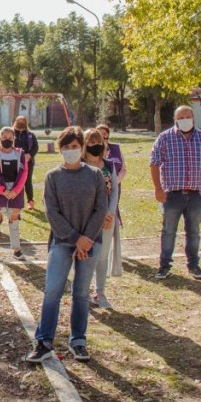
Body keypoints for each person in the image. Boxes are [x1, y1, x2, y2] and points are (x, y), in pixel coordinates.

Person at [26, 126, 107, 363]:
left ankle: (78, 341)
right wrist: (75, 239)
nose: (70, 151)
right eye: (66, 147)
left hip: (91, 242)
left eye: (75, 147)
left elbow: (100, 208)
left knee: (81, 292)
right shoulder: (53, 176)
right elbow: (52, 212)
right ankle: (44, 341)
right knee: (52, 291)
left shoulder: (95, 175)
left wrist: (87, 239)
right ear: (60, 150)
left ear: (81, 148)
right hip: (62, 242)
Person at [149, 106, 201, 280]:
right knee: (168, 231)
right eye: (181, 117)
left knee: (194, 231)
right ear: (175, 119)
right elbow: (154, 164)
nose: (185, 119)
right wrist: (158, 188)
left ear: (193, 118)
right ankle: (164, 266)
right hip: (172, 194)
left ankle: (194, 265)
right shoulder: (164, 138)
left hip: (195, 194)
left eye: (188, 116)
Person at [82, 129, 120, 309]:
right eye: (90, 142)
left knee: (103, 256)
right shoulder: (79, 165)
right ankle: (84, 292)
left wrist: (110, 213)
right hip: (86, 218)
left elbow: (114, 191)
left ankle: (100, 293)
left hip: (107, 219)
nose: (95, 145)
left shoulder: (109, 165)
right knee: (86, 256)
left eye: (98, 142)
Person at [0, 126, 28, 259]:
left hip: (16, 191)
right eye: (4, 137)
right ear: (0, 138)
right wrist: (2, 190)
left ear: (14, 139)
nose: (7, 140)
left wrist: (15, 190)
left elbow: (24, 173)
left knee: (14, 220)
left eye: (10, 137)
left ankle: (16, 250)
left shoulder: (20, 154)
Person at [95, 124, 125, 280]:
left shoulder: (113, 155)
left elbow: (123, 169)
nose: (103, 137)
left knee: (105, 247)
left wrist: (116, 181)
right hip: (92, 211)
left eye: (105, 134)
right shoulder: (86, 162)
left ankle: (100, 288)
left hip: (111, 200)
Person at [13, 116, 39, 211]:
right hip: (14, 161)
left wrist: (30, 155)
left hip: (28, 161)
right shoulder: (11, 133)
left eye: (22, 121)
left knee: (27, 181)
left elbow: (36, 147)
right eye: (18, 121)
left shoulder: (30, 134)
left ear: (25, 122)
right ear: (15, 122)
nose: (20, 123)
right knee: (15, 181)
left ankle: (30, 201)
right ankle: (16, 201)